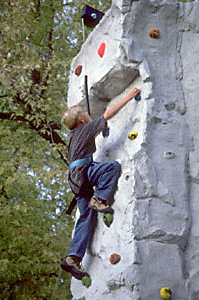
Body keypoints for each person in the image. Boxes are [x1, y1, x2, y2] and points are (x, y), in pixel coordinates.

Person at [61, 87, 140, 280]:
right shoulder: (85, 129)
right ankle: (100, 198)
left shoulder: (73, 137)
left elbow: (91, 136)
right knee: (111, 167)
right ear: (81, 120)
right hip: (84, 174)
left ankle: (73, 257)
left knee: (85, 218)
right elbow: (108, 113)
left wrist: (100, 131)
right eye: (86, 113)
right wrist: (129, 96)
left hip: (76, 182)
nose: (89, 114)